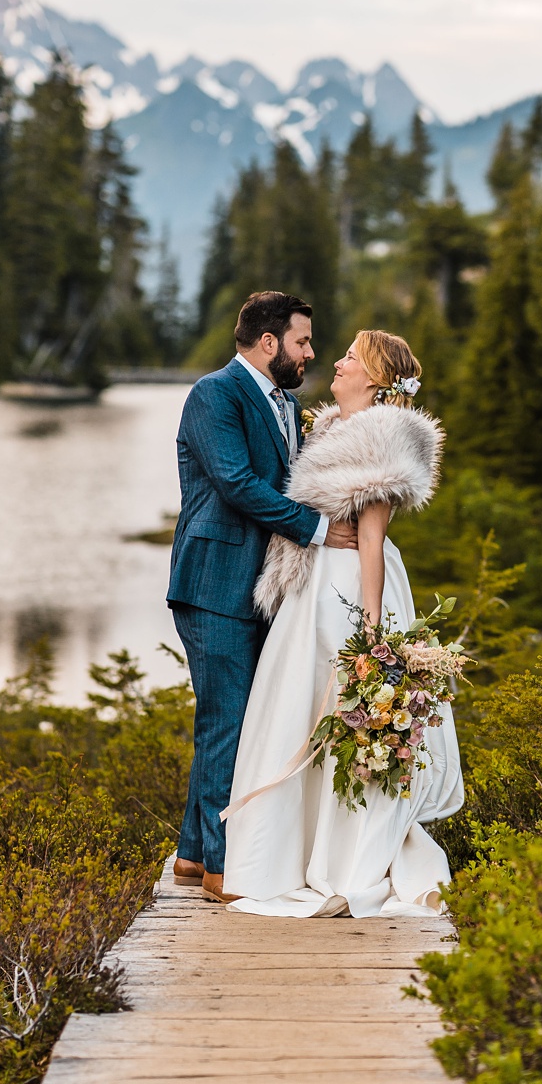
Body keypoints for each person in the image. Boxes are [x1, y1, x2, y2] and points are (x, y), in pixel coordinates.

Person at [222, 329, 463, 918]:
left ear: (376, 378)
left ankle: (347, 861)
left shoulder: (382, 437)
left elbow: (372, 542)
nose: (336, 361)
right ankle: (283, 856)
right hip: (312, 589)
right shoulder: (330, 430)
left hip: (349, 590)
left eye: (350, 357)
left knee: (341, 716)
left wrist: (373, 632)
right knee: (297, 711)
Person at [167, 290, 358, 902]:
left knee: (229, 720)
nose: (310, 353)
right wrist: (321, 530)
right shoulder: (214, 394)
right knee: (230, 720)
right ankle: (226, 871)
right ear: (269, 342)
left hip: (265, 589)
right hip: (214, 583)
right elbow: (236, 483)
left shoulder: (286, 404)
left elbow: (291, 479)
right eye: (302, 341)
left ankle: (193, 856)